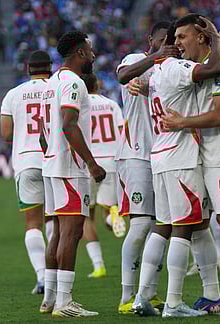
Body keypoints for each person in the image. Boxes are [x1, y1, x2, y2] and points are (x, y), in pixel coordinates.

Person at [162, 14, 220, 316]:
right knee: (200, 225)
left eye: (182, 37)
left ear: (201, 37)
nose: (177, 43)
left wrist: (182, 123)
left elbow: (219, 115)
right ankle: (212, 295)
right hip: (202, 157)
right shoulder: (197, 69)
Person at [38, 31, 106, 318]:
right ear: (79, 53)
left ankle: (50, 298)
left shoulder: (51, 81)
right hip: (70, 166)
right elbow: (68, 125)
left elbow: (44, 130)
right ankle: (64, 301)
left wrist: (50, 152)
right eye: (89, 50)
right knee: (72, 231)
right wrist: (91, 163)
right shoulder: (74, 83)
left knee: (57, 232)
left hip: (52, 163)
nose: (92, 55)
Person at [115, 21, 175, 314]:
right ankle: (127, 296)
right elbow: (123, 75)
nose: (166, 45)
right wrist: (155, 58)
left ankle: (147, 293)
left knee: (161, 227)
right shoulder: (135, 60)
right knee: (140, 225)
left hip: (164, 156)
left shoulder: (171, 70)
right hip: (136, 153)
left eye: (171, 42)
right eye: (162, 40)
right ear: (151, 39)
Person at [0, 50, 52, 294]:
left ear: (27, 68)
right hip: (53, 160)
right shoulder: (58, 87)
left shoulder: (13, 94)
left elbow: (6, 134)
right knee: (56, 220)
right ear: (50, 67)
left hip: (25, 161)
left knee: (32, 223)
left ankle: (41, 277)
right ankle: (56, 276)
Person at [80, 72, 125, 279]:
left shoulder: (79, 105)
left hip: (88, 162)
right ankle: (112, 214)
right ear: (97, 85)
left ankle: (98, 266)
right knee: (108, 207)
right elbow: (122, 131)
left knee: (87, 216)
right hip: (111, 160)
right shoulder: (111, 104)